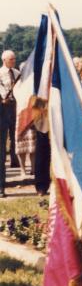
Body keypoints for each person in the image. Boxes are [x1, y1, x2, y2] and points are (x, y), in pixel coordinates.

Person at [0, 50, 20, 196]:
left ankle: (15, 160)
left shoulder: (17, 73)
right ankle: (1, 186)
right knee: (1, 149)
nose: (13, 61)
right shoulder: (0, 73)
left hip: (15, 108)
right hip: (2, 111)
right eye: (11, 59)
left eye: (14, 59)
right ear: (4, 60)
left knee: (16, 138)